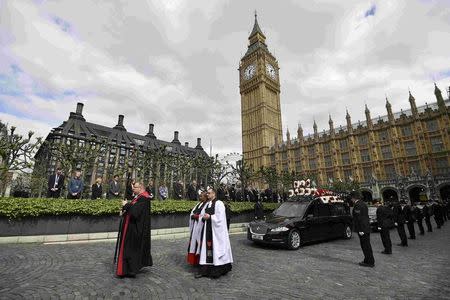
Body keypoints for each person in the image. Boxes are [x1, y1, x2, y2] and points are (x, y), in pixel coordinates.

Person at [115, 181, 152, 278]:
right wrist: (124, 211)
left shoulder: (144, 198)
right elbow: (132, 209)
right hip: (130, 227)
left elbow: (135, 212)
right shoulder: (138, 197)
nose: (133, 189)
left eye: (135, 187)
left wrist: (126, 205)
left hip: (135, 228)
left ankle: (131, 269)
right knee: (129, 249)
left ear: (141, 188)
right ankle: (127, 269)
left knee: (131, 249)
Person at [195, 187, 233, 278]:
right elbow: (202, 214)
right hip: (207, 230)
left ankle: (217, 270)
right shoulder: (208, 203)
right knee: (206, 250)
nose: (207, 195)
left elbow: (220, 218)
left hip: (215, 232)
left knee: (215, 249)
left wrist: (210, 217)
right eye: (207, 193)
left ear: (214, 194)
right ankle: (205, 270)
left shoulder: (219, 203)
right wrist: (202, 217)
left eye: (209, 193)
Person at [351, 191, 375, 267]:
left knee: (365, 245)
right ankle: (367, 259)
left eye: (351, 198)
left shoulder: (357, 205)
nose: (351, 200)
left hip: (362, 229)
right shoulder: (363, 203)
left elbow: (359, 218)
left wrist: (361, 229)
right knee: (366, 245)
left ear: (354, 198)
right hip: (366, 227)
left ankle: (369, 262)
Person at [187, 190, 208, 266]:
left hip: (201, 227)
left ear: (205, 197)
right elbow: (194, 212)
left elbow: (204, 215)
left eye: (201, 196)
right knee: (194, 243)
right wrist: (193, 215)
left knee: (199, 243)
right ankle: (194, 261)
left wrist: (196, 216)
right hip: (195, 225)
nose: (200, 197)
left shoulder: (207, 204)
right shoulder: (199, 204)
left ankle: (199, 261)